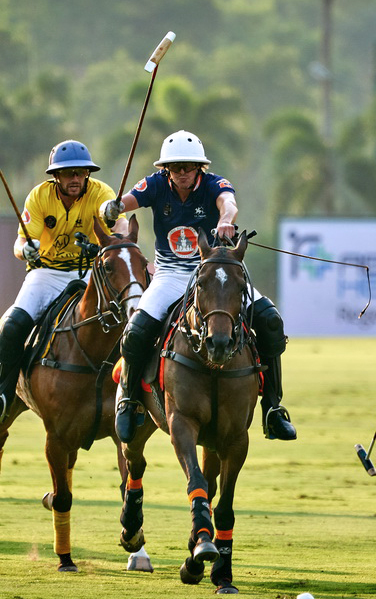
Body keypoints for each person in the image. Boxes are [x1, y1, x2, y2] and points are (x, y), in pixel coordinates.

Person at [102, 130, 297, 443]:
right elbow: (126, 201)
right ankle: (127, 400)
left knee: (271, 321)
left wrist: (226, 219)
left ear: (199, 168)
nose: (181, 173)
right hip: (171, 275)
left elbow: (228, 203)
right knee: (136, 331)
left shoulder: (214, 184)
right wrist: (113, 208)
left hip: (215, 272)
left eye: (188, 167)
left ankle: (273, 407)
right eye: (175, 167)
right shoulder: (154, 184)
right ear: (166, 168)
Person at [0, 140, 123, 422]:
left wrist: (114, 225)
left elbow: (120, 228)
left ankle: (130, 397)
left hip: (89, 272)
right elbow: (21, 242)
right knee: (13, 326)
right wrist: (25, 250)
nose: (75, 178)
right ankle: (2, 395)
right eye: (68, 173)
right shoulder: (39, 196)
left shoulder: (102, 193)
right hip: (47, 273)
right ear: (56, 176)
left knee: (126, 321)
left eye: (80, 172)